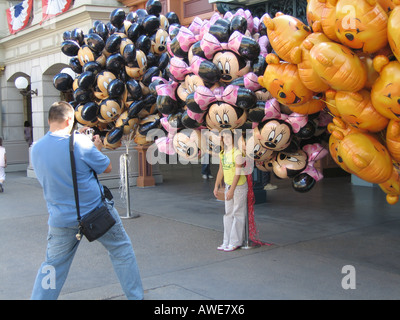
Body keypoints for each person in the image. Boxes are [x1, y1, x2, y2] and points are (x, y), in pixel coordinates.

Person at [30, 101, 143, 300]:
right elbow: (106, 167)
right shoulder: (79, 143)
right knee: (121, 250)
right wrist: (96, 147)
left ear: (49, 120)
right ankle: (135, 297)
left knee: (53, 266)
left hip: (60, 219)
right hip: (95, 213)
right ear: (69, 120)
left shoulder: (36, 148)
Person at [213, 130, 248, 252]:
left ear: (233, 138)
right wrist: (216, 185)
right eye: (224, 137)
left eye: (229, 137)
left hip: (238, 186)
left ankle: (235, 241)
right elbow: (221, 170)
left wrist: (232, 190)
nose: (226, 139)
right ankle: (226, 240)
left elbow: (238, 173)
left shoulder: (237, 153)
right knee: (228, 213)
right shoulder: (223, 153)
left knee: (238, 213)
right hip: (228, 185)